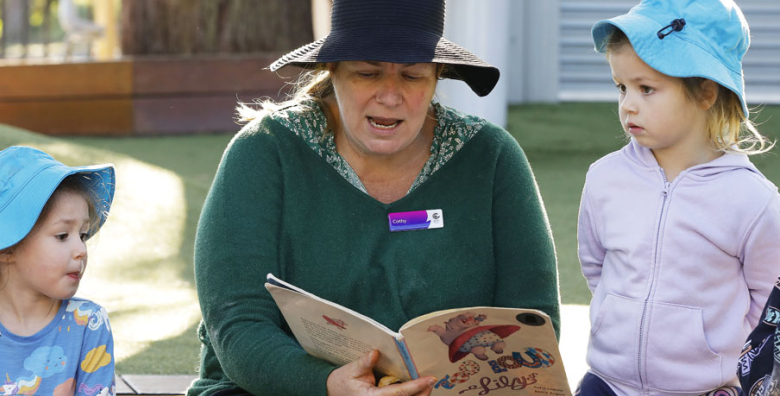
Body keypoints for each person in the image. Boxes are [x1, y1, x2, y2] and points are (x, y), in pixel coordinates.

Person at [188, 0, 560, 395]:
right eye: (368, 73)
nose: (390, 94)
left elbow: (533, 320)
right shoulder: (265, 150)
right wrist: (327, 384)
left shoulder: (491, 156)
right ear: (331, 71)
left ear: (437, 76)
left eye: (413, 76)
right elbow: (237, 322)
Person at [576, 0, 780, 394]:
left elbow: (767, 301)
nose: (628, 104)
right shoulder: (604, 178)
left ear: (705, 92)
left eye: (646, 88)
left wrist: (721, 361)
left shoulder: (753, 200)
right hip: (606, 383)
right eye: (622, 87)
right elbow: (596, 266)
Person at [0, 146, 117, 396]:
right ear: (5, 249)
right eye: (62, 235)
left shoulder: (89, 324)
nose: (81, 249)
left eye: (82, 235)